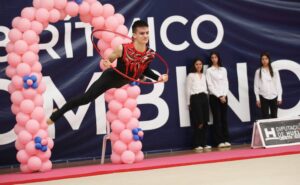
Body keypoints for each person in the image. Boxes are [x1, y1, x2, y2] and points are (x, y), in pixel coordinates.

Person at [47, 20, 168, 125]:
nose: (145, 36)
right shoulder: (122, 48)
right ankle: (57, 113)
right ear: (134, 35)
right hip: (111, 78)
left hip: (127, 78)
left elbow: (145, 68)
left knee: (139, 73)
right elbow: (107, 61)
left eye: (147, 33)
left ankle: (140, 77)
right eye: (142, 33)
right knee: (86, 99)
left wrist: (158, 77)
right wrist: (107, 63)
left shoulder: (150, 53)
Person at [206, 51, 230, 148]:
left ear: (218, 58)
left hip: (224, 97)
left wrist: (224, 95)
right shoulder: (209, 71)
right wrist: (219, 96)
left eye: (215, 57)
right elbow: (210, 85)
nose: (214, 59)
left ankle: (226, 139)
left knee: (224, 118)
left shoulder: (223, 69)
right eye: (212, 57)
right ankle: (219, 141)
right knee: (217, 119)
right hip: (214, 97)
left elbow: (226, 83)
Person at [186, 58, 211, 151]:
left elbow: (206, 87)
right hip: (195, 98)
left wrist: (206, 97)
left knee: (205, 121)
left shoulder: (204, 75)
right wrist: (189, 103)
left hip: (204, 97)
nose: (199, 66)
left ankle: (204, 143)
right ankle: (197, 144)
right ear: (194, 65)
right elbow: (188, 90)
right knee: (198, 121)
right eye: (197, 64)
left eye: (200, 64)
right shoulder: (191, 75)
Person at [254, 52, 282, 119]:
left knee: (274, 116)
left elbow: (278, 84)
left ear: (269, 59)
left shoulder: (274, 70)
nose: (264, 61)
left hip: (274, 96)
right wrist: (257, 99)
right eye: (263, 59)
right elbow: (256, 86)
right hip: (263, 97)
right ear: (261, 60)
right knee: (265, 116)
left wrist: (279, 97)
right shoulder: (258, 72)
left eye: (266, 59)